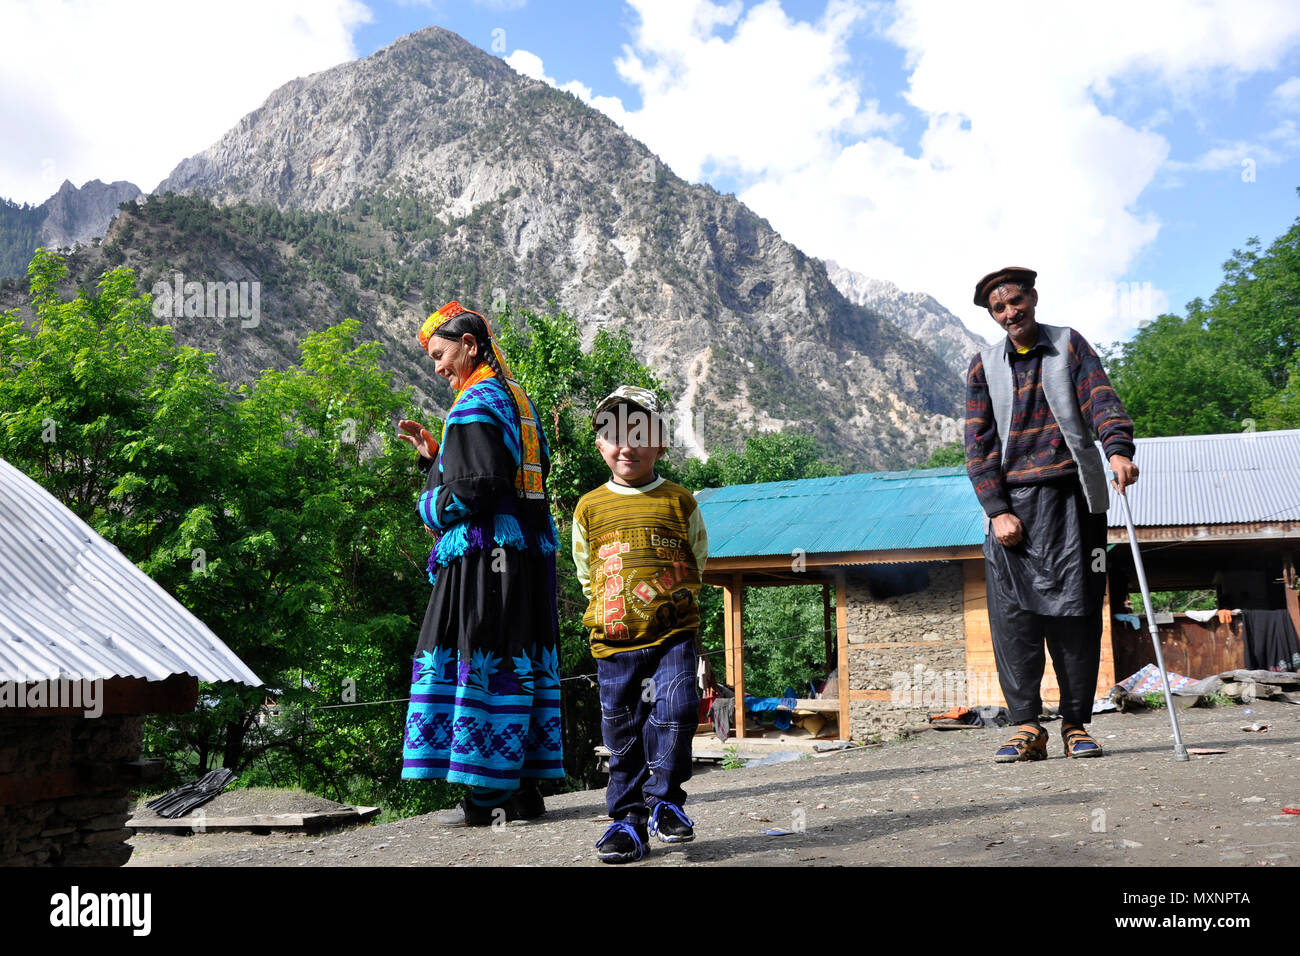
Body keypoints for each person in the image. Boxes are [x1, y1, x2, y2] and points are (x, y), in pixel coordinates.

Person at [397, 300, 564, 824]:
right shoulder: (514, 397)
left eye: (443, 355)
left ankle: (484, 794)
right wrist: (435, 458)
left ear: (470, 345)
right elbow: (503, 474)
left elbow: (479, 486)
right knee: (516, 653)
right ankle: (520, 789)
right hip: (523, 556)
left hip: (483, 558)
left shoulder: (474, 403)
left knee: (478, 648)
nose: (441, 368)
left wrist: (429, 501)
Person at [965, 267, 1139, 762]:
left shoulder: (1068, 345)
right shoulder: (984, 366)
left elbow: (1100, 399)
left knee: (1077, 616)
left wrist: (1118, 450)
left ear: (1033, 298)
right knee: (1013, 621)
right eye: (999, 308)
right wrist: (997, 510)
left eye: (1016, 301)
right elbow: (976, 445)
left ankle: (1076, 724)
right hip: (1012, 511)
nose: (1009, 313)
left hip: (1072, 501)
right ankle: (1026, 727)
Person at [573, 386, 708, 862]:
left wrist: (667, 600)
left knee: (677, 711)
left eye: (639, 431)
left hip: (673, 634)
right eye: (613, 433)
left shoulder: (679, 501)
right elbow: (585, 570)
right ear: (600, 444)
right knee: (621, 729)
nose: (626, 444)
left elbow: (697, 560)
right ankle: (626, 822)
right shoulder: (589, 507)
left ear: (661, 442)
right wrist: (614, 612)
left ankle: (665, 801)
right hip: (614, 641)